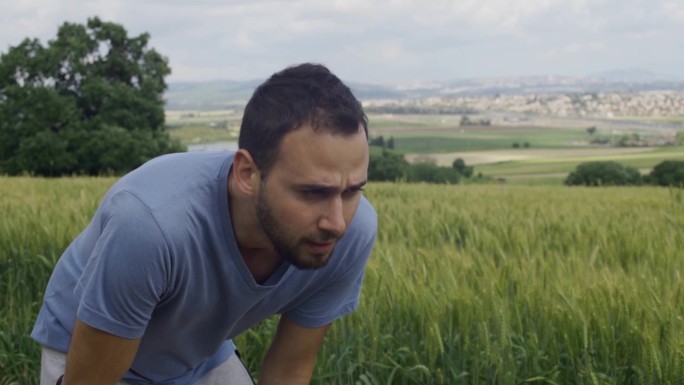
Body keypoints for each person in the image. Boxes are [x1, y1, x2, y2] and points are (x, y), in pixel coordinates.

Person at [31, 63, 377, 385]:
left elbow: (289, 368)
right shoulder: (151, 226)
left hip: (198, 354)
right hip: (88, 349)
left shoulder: (352, 231)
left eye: (351, 191)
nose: (336, 223)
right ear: (247, 174)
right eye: (312, 192)